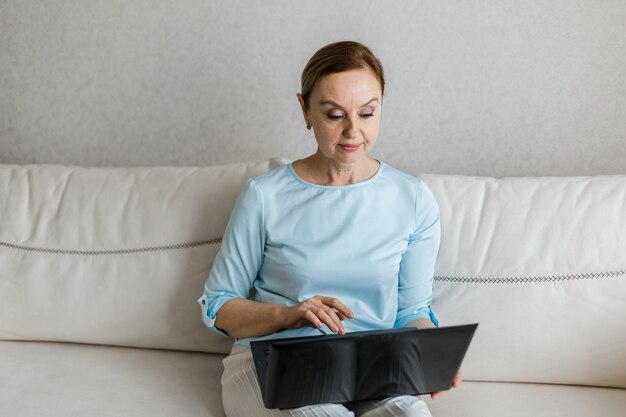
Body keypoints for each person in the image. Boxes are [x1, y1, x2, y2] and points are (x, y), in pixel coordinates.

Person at [198, 40, 462, 417]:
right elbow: (219, 306)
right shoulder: (264, 196)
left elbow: (411, 312)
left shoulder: (413, 198)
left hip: (369, 368)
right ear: (305, 110)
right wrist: (290, 314)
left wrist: (432, 357)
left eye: (368, 113)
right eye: (335, 115)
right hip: (273, 363)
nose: (353, 131)